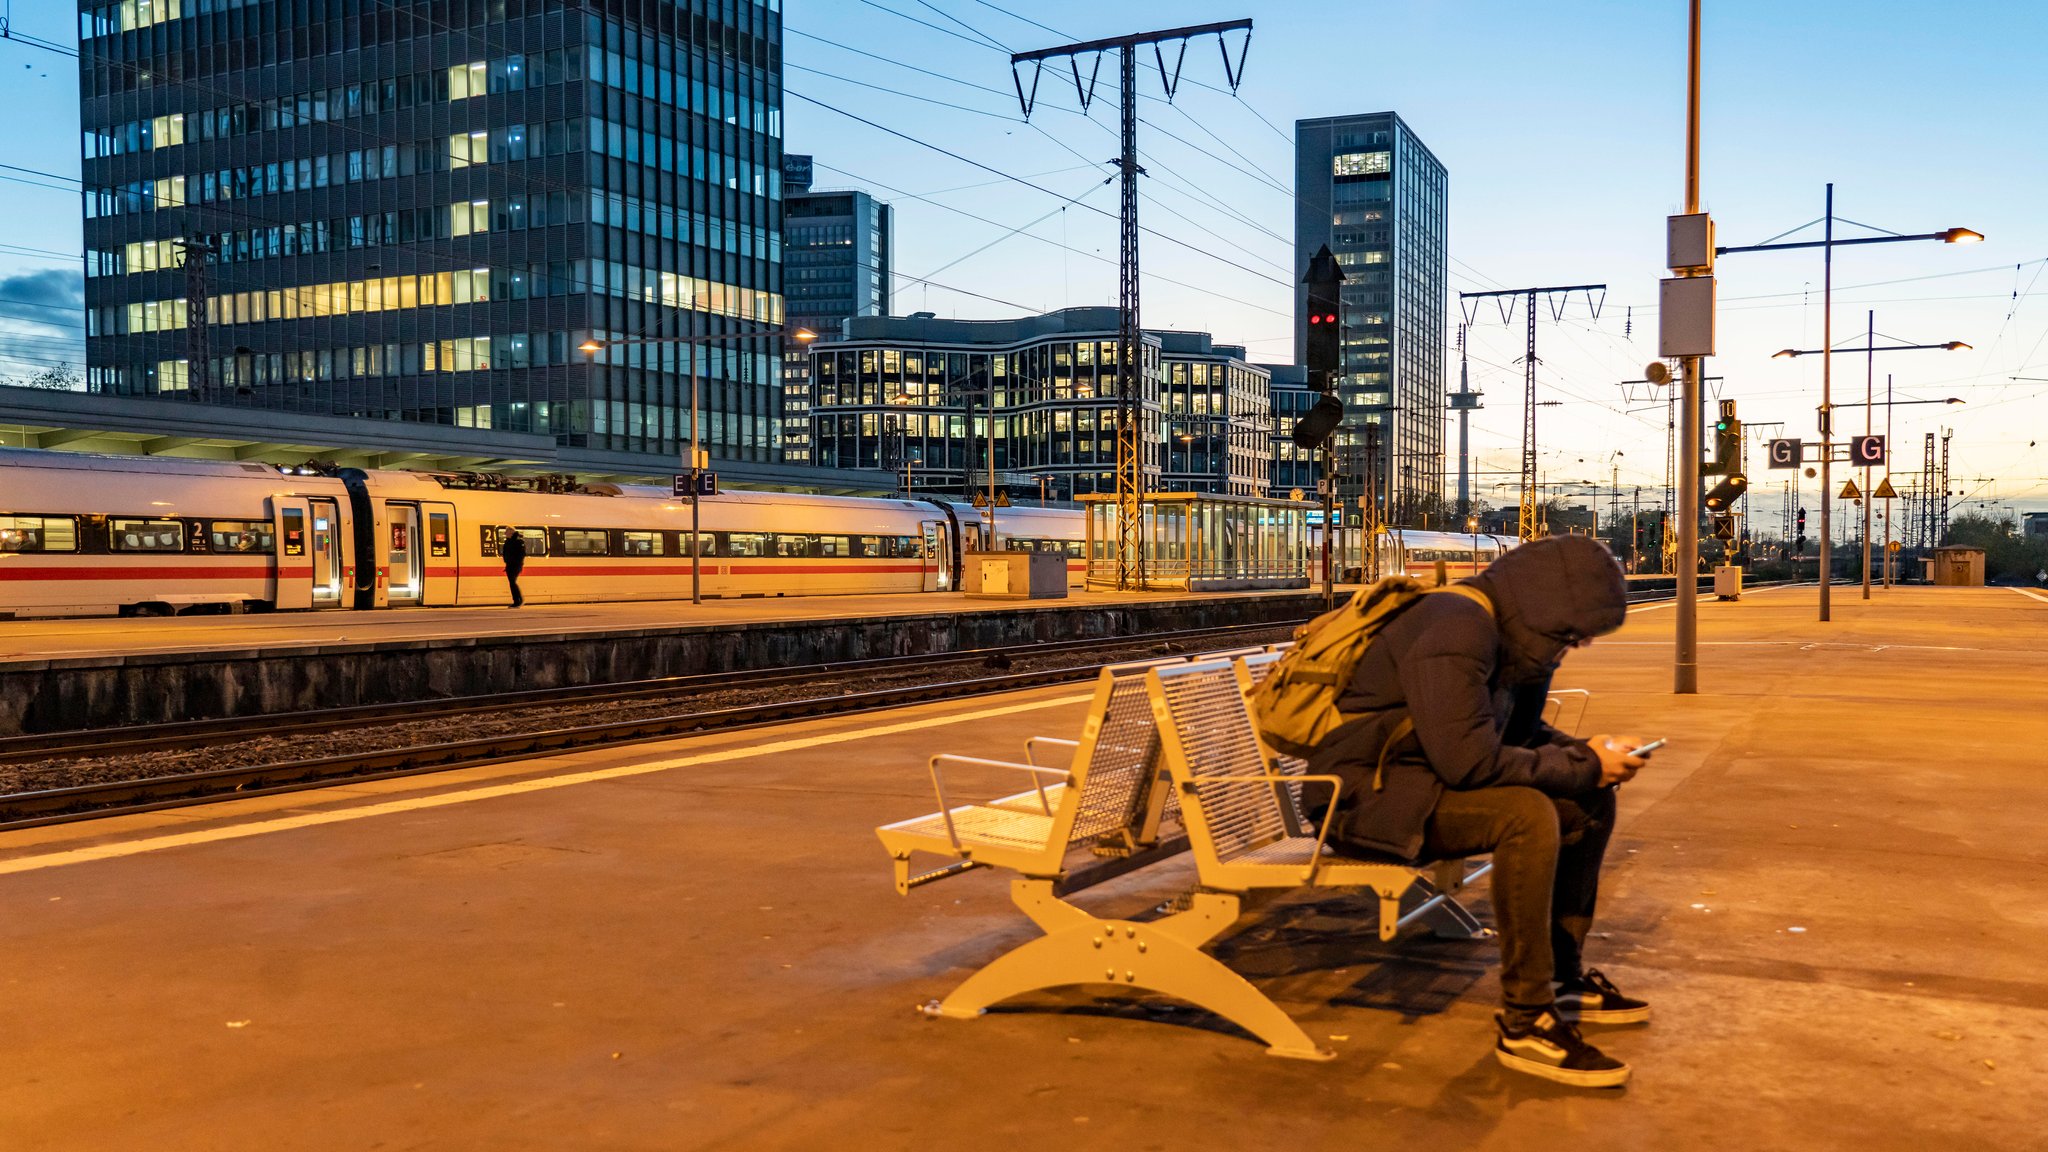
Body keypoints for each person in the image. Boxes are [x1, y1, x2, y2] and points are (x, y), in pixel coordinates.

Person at [1306, 535, 1650, 1089]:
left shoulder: (1515, 639)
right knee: (1527, 813)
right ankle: (1524, 1021)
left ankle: (1562, 978)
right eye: (1573, 631)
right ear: (1543, 607)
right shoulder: (1454, 626)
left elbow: (1520, 735)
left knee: (1588, 798)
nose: (1580, 643)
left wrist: (1592, 756)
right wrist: (1583, 762)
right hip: (1361, 801)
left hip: (1418, 785)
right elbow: (1469, 762)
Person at [500, 527, 527, 608]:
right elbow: (506, 553)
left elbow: (521, 554)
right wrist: (507, 563)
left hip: (516, 565)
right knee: (512, 583)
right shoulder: (508, 542)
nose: (505, 534)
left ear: (511, 533)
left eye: (506, 532)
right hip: (509, 565)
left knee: (512, 582)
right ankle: (518, 600)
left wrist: (516, 563)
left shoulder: (519, 542)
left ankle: (518, 600)